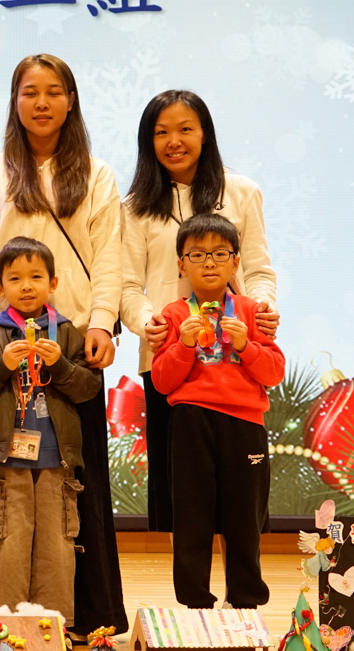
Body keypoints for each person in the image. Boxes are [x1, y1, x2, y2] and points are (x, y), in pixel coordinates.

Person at [0, 53, 127, 635]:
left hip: (71, 344)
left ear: (71, 101)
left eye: (54, 91)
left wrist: (101, 322)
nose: (42, 102)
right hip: (2, 344)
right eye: (30, 91)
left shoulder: (97, 175)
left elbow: (109, 257)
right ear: (15, 100)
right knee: (0, 495)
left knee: (76, 490)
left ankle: (86, 618)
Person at [120, 90, 278, 532]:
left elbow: (259, 270)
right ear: (148, 141)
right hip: (170, 361)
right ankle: (184, 579)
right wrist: (147, 322)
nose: (174, 141)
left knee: (239, 492)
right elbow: (128, 286)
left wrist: (263, 308)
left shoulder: (241, 192)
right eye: (161, 132)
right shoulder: (134, 207)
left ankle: (241, 576)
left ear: (204, 133)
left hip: (236, 361)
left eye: (185, 129)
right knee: (179, 492)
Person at [0, 237, 102, 617]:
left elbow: (88, 388)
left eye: (36, 277)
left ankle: (54, 627)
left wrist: (61, 366)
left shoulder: (67, 331)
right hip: (5, 460)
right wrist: (1, 366)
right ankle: (7, 628)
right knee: (8, 541)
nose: (26, 286)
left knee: (58, 545)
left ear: (53, 283)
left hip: (57, 461)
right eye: (15, 278)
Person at [151, 213, 284, 608]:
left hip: (245, 423)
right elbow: (162, 382)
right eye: (197, 254)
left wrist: (247, 346)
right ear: (181, 264)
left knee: (245, 517)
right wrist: (183, 346)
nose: (209, 262)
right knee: (191, 516)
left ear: (236, 262)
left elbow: (274, 372)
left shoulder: (252, 311)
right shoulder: (174, 314)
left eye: (219, 253)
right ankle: (194, 601)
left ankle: (245, 598)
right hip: (191, 422)